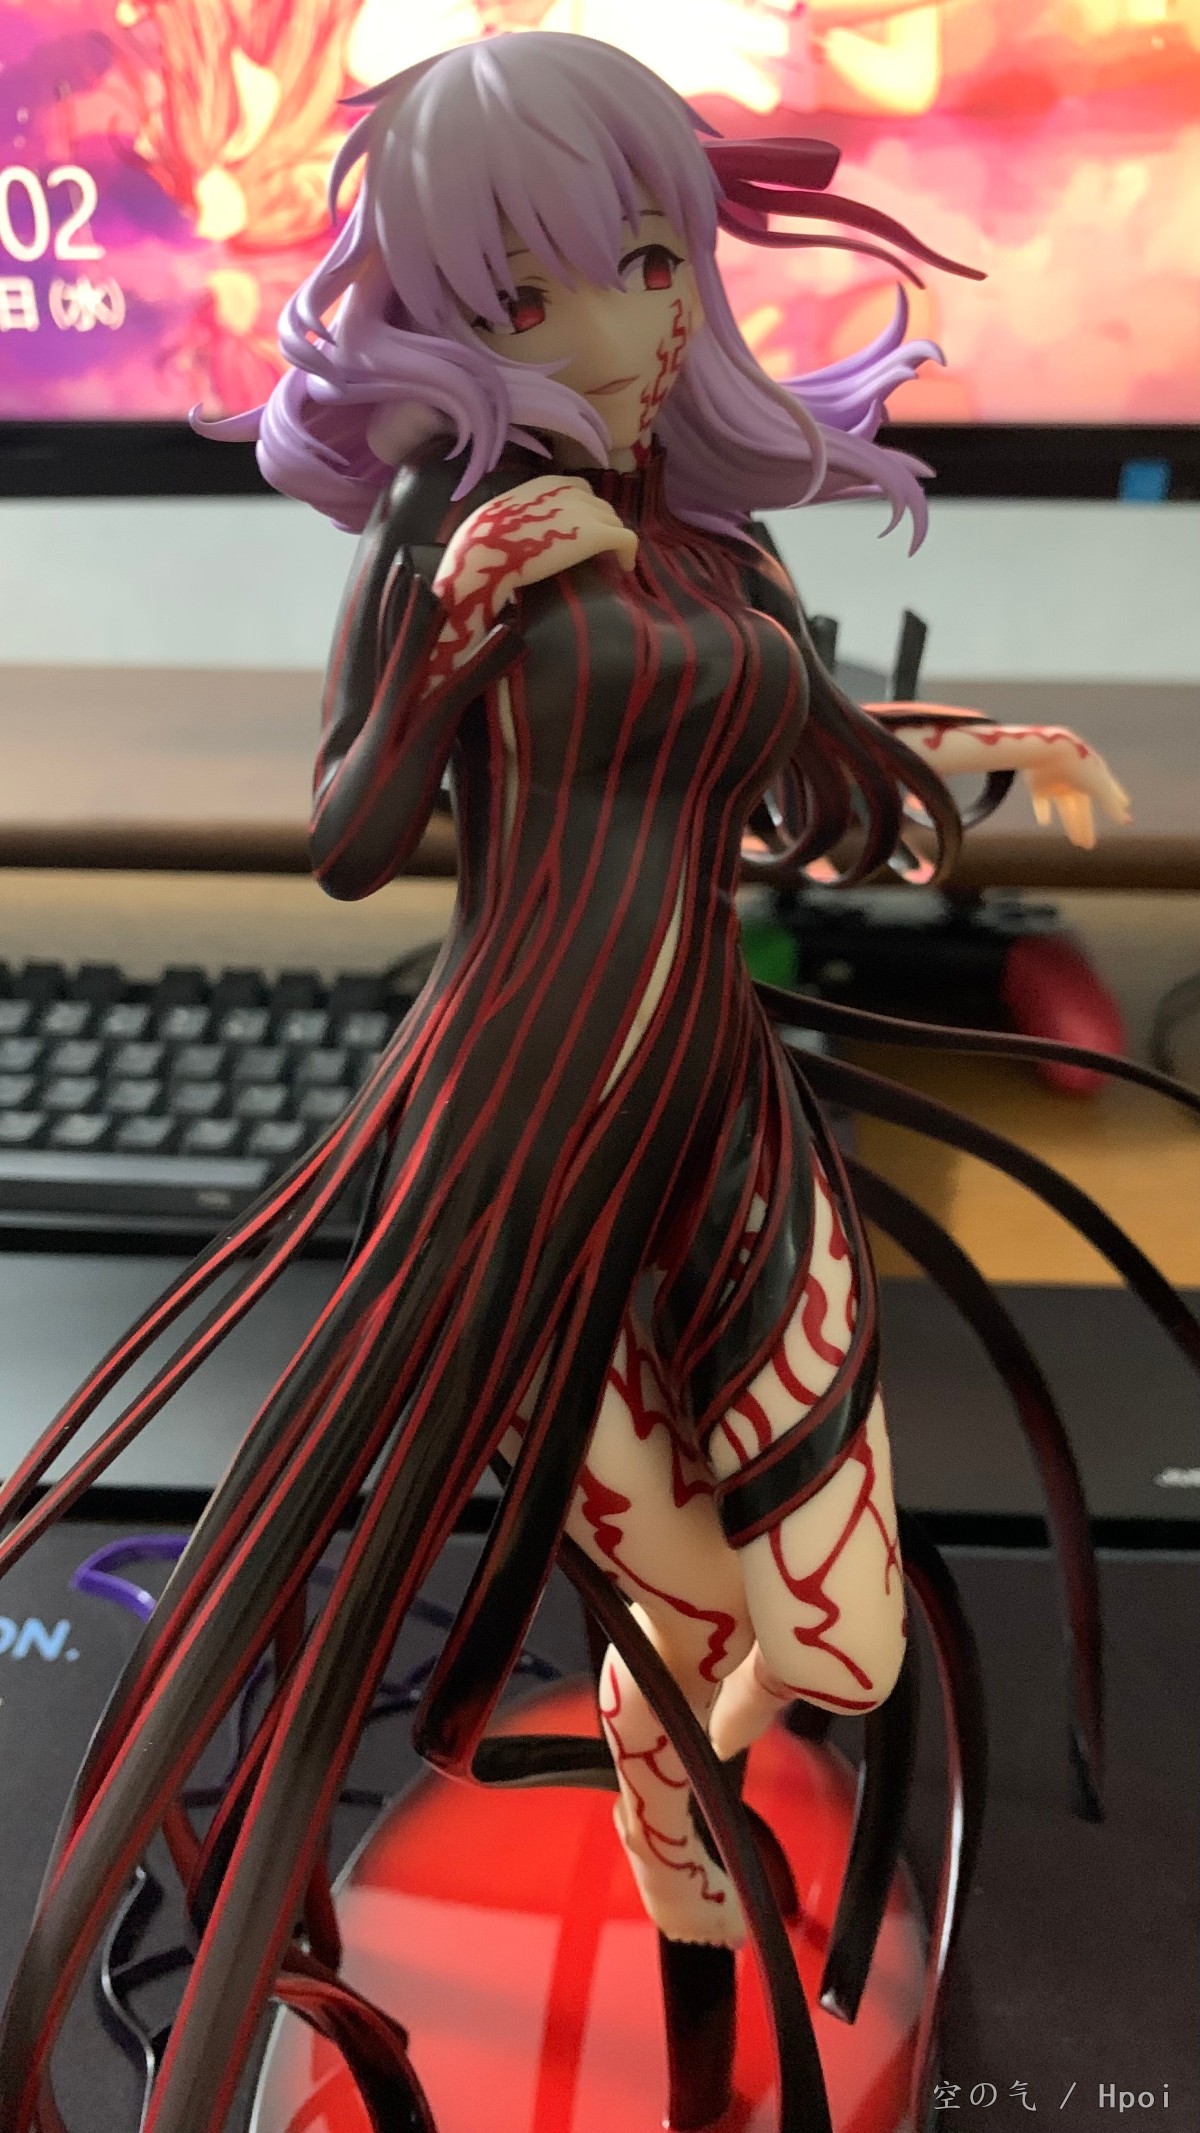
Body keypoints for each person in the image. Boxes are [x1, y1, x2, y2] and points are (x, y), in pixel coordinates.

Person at [0, 33, 1190, 2133]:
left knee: (837, 1644)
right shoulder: (449, 545)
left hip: (721, 1122)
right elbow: (356, 840)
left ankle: (689, 1784)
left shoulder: (724, 553)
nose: (628, 333)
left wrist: (984, 752)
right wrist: (456, 618)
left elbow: (811, 778)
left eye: (650, 263)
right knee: (671, 1616)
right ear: (448, 319)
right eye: (533, 293)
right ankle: (690, 1926)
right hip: (524, 1163)